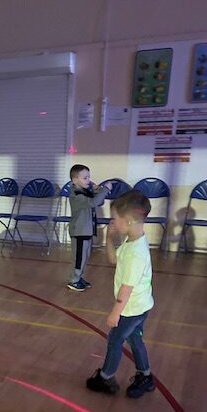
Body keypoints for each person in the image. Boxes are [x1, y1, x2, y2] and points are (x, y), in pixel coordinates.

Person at [86, 190, 156, 398]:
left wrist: (115, 313)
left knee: (115, 340)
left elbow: (126, 288)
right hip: (139, 306)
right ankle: (145, 375)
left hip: (130, 309)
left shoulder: (136, 253)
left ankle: (106, 378)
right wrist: (109, 238)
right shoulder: (132, 240)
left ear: (129, 221)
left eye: (115, 218)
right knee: (135, 340)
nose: (113, 222)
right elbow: (113, 260)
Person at [67, 164, 112, 291]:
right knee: (79, 258)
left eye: (89, 177)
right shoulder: (76, 194)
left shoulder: (84, 191)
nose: (88, 180)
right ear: (75, 180)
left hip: (86, 230)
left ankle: (79, 277)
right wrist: (105, 189)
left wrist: (97, 190)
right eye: (85, 178)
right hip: (79, 231)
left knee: (85, 257)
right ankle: (74, 280)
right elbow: (93, 202)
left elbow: (100, 201)